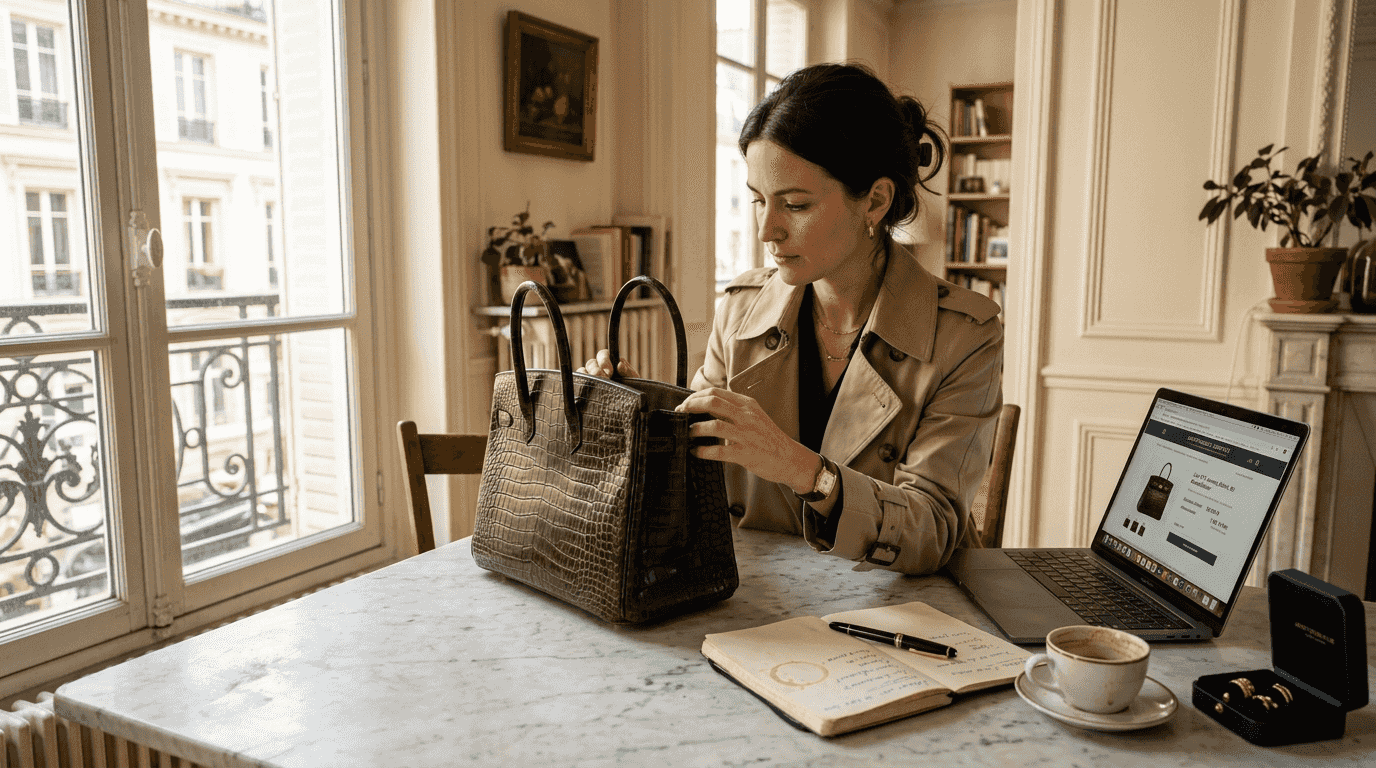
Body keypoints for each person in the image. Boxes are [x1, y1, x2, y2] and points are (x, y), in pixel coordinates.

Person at [580, 63, 1003, 575]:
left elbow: (931, 531)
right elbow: (695, 475)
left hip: (895, 614)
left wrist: (805, 471)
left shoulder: (964, 334)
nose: (767, 230)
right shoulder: (739, 310)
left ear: (874, 201)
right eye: (758, 200)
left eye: (795, 204)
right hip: (754, 601)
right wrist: (632, 413)